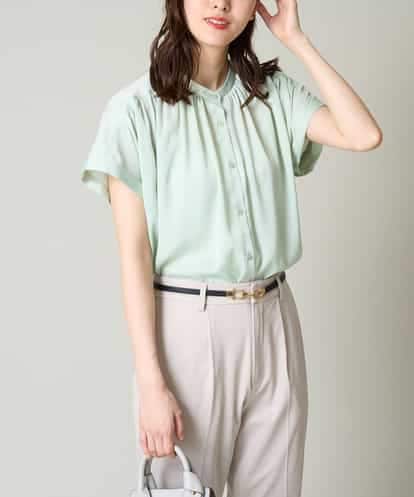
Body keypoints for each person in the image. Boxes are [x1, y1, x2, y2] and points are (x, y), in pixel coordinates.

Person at [80, 1, 382, 496]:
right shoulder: (134, 111)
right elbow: (133, 256)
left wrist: (297, 41)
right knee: (181, 488)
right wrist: (151, 383)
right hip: (188, 327)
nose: (220, 3)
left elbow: (363, 134)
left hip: (275, 318)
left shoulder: (273, 94)